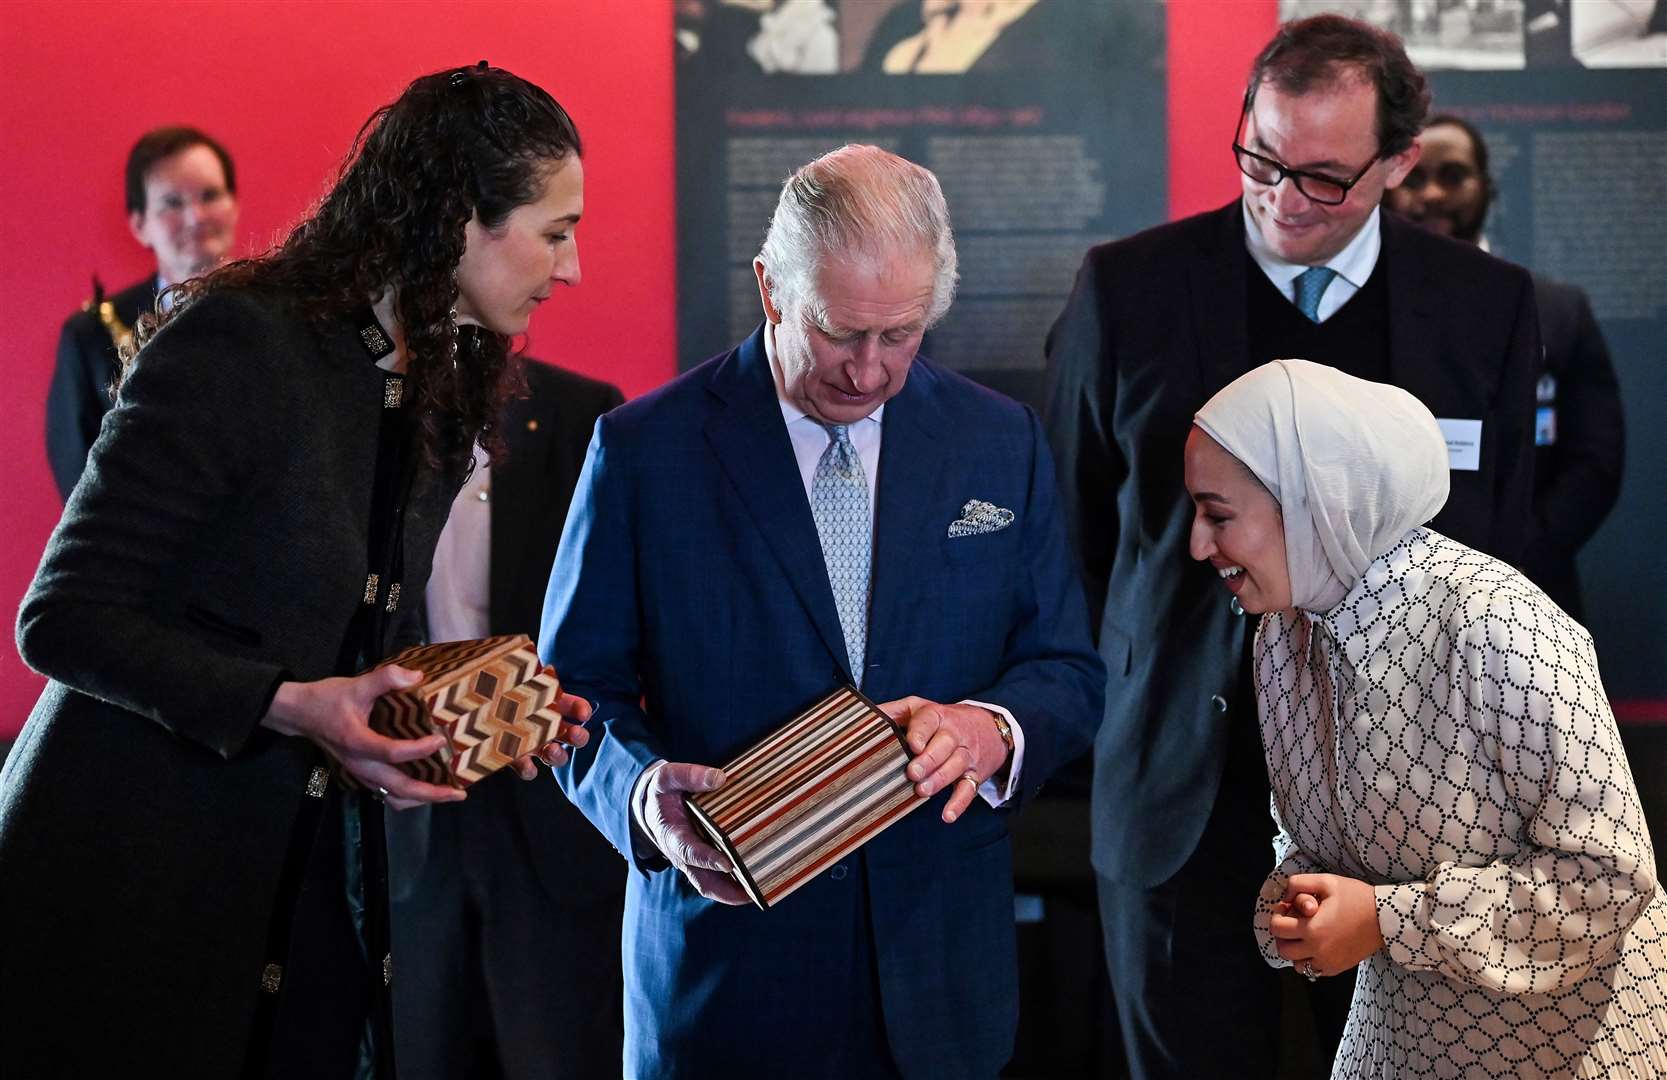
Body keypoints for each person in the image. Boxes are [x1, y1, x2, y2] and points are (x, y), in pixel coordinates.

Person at [2, 63, 592, 1079]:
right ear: (460, 218)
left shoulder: (445, 381)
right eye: (554, 229)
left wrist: (455, 722)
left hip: (305, 908)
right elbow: (61, 620)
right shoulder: (238, 339)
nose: (570, 267)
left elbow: (344, 652)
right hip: (127, 909)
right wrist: (289, 704)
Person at [1043, 14, 1540, 1079]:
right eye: (1259, 157)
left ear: (1396, 163)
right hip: (1181, 792)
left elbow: (1496, 547)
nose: (1279, 197)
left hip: (1406, 813)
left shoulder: (1482, 308)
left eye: (1321, 177)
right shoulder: (1126, 290)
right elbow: (1074, 532)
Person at [542, 143, 1103, 1079]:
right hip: (724, 973)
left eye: (903, 333)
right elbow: (572, 696)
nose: (870, 370)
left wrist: (991, 730)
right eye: (840, 332)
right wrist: (644, 800)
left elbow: (1067, 669)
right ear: (770, 289)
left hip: (938, 975)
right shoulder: (646, 448)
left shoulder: (998, 440)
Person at [1184, 357, 1667, 1078]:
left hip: (1560, 1047)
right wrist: (1304, 903)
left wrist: (1385, 920)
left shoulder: (1494, 621)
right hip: (1399, 1038)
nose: (1196, 544)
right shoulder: (1282, 635)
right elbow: (1312, 840)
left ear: (1319, 499)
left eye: (1217, 515)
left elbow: (1608, 882)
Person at [386, 358, 628, 1080]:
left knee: (555, 1048)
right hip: (406, 790)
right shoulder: (365, 408)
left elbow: (623, 604)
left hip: (547, 789)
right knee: (414, 1046)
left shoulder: (582, 411)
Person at [1385, 113, 1625, 622]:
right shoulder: (1359, 310)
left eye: (1452, 176)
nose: (1431, 195)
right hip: (1383, 595)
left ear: (1486, 187)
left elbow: (1594, 462)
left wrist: (1514, 555)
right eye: (1414, 178)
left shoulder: (1558, 309)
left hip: (1530, 591)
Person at [45, 125, 240, 500]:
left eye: (210, 195)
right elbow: (78, 488)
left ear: (234, 205)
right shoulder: (91, 336)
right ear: (139, 225)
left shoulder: (287, 315)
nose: (196, 217)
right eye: (172, 203)